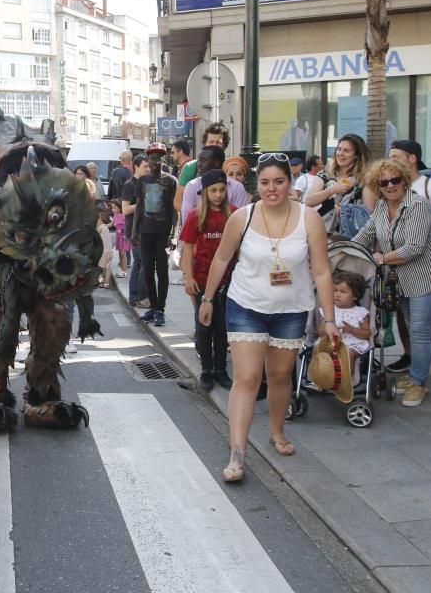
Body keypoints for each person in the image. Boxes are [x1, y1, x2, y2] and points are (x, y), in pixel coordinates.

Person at [199, 153, 338, 483]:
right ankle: (237, 452)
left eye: (278, 182)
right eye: (264, 183)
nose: (272, 189)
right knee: (246, 378)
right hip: (246, 305)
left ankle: (277, 431)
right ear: (256, 185)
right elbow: (221, 260)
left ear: (289, 183)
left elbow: (321, 271)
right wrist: (206, 298)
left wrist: (329, 318)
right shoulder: (242, 217)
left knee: (279, 376)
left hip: (291, 309)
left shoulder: (309, 219)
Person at [352, 159, 431, 407]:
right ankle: (416, 375)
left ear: (404, 180)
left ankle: (418, 383)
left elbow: (415, 248)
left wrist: (381, 258)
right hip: (403, 279)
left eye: (395, 180)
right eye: (383, 182)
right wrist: (344, 250)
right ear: (378, 186)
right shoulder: (382, 207)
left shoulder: (417, 205)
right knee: (411, 325)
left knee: (418, 329)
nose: (390, 185)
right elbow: (366, 233)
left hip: (430, 275)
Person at [385, 140, 431, 379]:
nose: (390, 160)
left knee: (426, 321)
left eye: (396, 156)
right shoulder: (392, 189)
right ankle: (411, 356)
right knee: (409, 319)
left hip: (428, 268)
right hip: (401, 268)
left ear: (412, 158)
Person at [180, 169, 236, 391]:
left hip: (228, 282)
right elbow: (187, 249)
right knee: (204, 326)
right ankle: (206, 370)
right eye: (213, 190)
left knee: (222, 328)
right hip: (202, 278)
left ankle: (221, 369)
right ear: (204, 192)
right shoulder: (196, 215)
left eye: (222, 190)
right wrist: (188, 277)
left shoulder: (233, 214)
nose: (218, 194)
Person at [132, 143, 177, 327]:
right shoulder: (142, 181)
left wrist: (174, 234)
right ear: (147, 161)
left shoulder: (171, 181)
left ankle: (161, 309)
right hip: (146, 232)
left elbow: (175, 210)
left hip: (163, 233)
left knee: (162, 271)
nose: (155, 161)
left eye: (159, 157)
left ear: (163, 160)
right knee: (148, 271)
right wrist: (134, 231)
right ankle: (153, 306)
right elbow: (139, 206)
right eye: (152, 158)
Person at [304, 133, 372, 235]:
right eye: (339, 149)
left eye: (346, 151)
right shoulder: (325, 175)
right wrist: (332, 190)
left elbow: (370, 212)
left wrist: (349, 211)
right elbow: (308, 201)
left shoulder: (364, 179)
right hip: (323, 232)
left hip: (351, 237)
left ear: (357, 155)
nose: (340, 153)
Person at [316, 270, 371, 368]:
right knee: (317, 348)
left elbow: (367, 334)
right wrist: (329, 329)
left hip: (351, 344)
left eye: (343, 292)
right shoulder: (329, 310)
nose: (337, 295)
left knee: (348, 354)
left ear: (355, 296)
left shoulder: (360, 312)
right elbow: (320, 330)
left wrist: (352, 330)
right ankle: (318, 377)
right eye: (335, 290)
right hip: (329, 342)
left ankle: (345, 380)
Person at [179, 146, 250, 221]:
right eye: (198, 160)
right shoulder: (192, 186)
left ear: (216, 163)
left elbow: (241, 220)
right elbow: (186, 219)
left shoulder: (237, 187)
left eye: (203, 160)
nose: (199, 164)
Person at [176, 122, 230, 212]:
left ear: (224, 145)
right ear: (205, 143)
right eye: (211, 142)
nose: (214, 145)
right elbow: (178, 202)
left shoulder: (230, 167)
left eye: (218, 142)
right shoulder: (190, 167)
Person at [122, 155, 150, 307]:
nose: (148, 169)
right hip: (134, 231)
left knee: (139, 263)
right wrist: (143, 203)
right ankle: (140, 297)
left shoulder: (146, 183)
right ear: (136, 167)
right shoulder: (129, 185)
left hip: (144, 229)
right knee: (145, 262)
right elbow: (125, 209)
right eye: (145, 166)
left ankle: (134, 297)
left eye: (149, 166)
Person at [109, 199, 128, 277]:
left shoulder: (124, 215)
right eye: (112, 208)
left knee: (123, 254)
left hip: (124, 236)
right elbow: (111, 224)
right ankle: (122, 271)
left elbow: (128, 225)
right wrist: (102, 226)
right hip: (118, 236)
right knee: (120, 254)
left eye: (114, 208)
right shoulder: (115, 216)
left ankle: (124, 272)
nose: (112, 210)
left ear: (120, 208)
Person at [96, 209, 113, 289]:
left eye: (97, 219)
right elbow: (110, 224)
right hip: (110, 251)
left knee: (99, 266)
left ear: (101, 220)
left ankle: (101, 280)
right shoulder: (105, 227)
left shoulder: (100, 227)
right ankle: (107, 284)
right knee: (108, 267)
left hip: (104, 251)